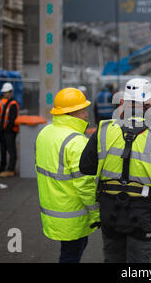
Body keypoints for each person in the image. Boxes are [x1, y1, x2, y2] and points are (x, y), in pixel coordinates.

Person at [79, 78, 151, 263]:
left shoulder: (103, 130)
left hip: (109, 211)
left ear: (123, 103)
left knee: (112, 259)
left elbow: (85, 167)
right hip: (145, 213)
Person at [35, 87, 100, 263]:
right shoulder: (77, 142)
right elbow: (85, 186)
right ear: (72, 112)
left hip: (52, 211)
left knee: (69, 253)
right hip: (73, 215)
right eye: (83, 110)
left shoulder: (44, 133)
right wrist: (97, 215)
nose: (86, 115)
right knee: (71, 256)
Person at [0, 83, 19, 177]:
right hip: (5, 130)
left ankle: (10, 169)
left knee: (10, 150)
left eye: (6, 92)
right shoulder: (12, 103)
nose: (6, 94)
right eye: (5, 92)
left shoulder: (8, 103)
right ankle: (6, 168)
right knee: (5, 149)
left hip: (8, 131)